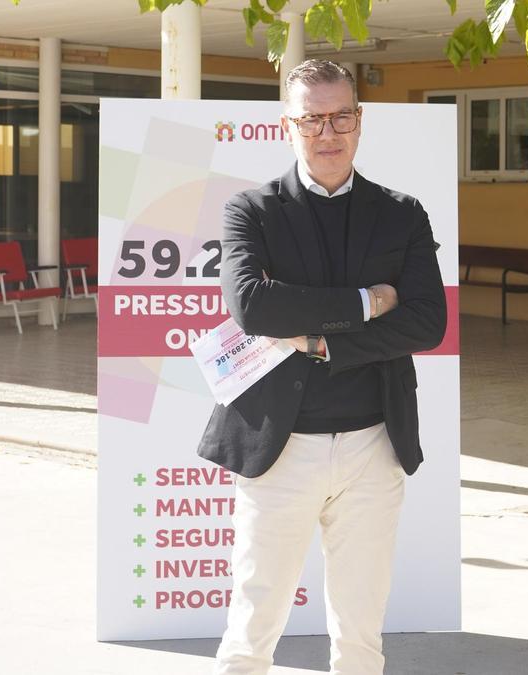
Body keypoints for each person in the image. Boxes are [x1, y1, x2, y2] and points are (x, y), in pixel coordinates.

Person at [197, 59, 446, 675]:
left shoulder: (402, 213)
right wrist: (367, 301)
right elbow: (253, 306)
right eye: (312, 119)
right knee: (254, 618)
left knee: (361, 629)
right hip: (278, 446)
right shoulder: (250, 210)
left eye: (340, 117)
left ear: (360, 122)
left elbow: (426, 323)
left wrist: (320, 342)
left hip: (372, 444)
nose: (327, 132)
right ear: (288, 126)